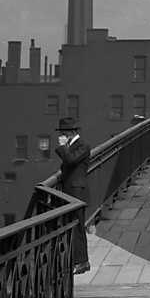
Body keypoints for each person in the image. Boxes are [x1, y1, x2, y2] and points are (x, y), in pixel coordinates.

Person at [54, 116, 91, 274]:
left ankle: (81, 262)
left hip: (77, 192)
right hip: (70, 191)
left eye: (63, 133)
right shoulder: (72, 146)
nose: (61, 136)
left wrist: (63, 147)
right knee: (73, 227)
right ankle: (78, 261)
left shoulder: (83, 145)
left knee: (77, 228)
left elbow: (70, 160)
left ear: (71, 132)